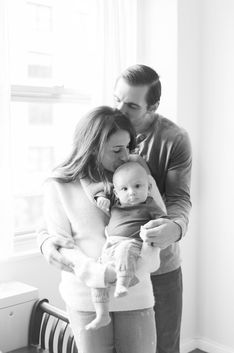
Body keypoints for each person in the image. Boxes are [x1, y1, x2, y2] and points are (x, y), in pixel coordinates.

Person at [39, 64, 192, 353]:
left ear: (152, 107)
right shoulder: (78, 172)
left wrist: (175, 227)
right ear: (95, 145)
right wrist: (46, 240)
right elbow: (61, 223)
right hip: (92, 288)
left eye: (131, 105)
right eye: (116, 99)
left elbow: (177, 199)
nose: (120, 108)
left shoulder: (171, 141)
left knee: (165, 346)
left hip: (152, 263)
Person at [42, 106, 162, 353]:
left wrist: (136, 270)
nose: (125, 156)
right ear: (92, 146)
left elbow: (160, 229)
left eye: (129, 148)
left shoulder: (139, 176)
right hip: (86, 297)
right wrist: (98, 274)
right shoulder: (60, 185)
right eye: (117, 149)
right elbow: (62, 243)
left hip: (134, 290)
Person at [84, 161, 166, 330]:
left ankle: (123, 281)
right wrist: (101, 198)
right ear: (116, 192)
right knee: (98, 276)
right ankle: (102, 314)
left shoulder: (149, 204)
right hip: (110, 245)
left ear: (148, 187)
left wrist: (157, 230)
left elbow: (164, 222)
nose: (132, 193)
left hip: (133, 244)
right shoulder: (115, 200)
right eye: (125, 189)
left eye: (137, 186)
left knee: (125, 249)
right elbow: (94, 188)